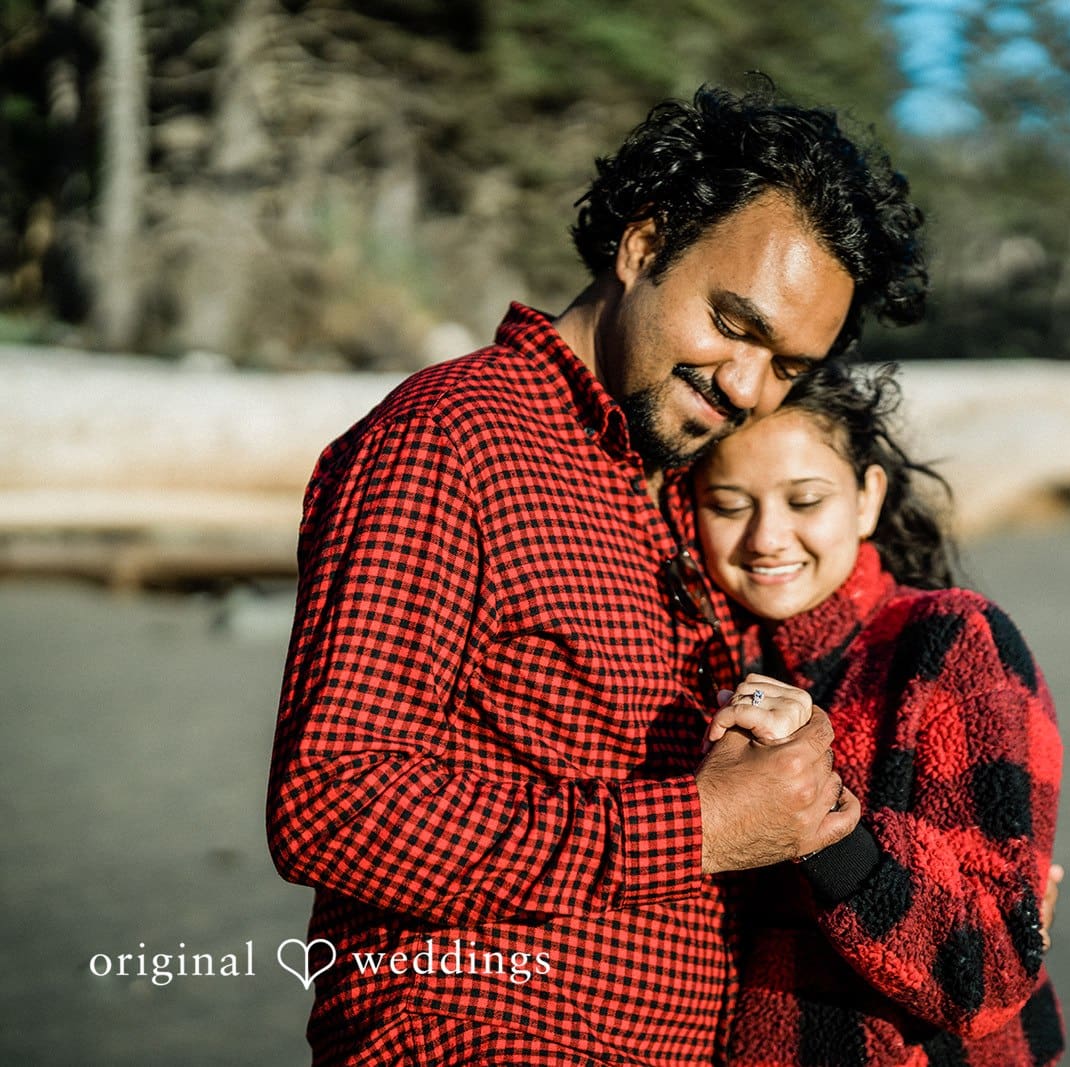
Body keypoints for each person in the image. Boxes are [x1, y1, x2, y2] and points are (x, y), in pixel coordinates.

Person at [266, 82, 927, 1065]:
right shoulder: (452, 438)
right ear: (641, 244)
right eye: (735, 325)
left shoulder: (677, 488)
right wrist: (693, 825)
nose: (747, 386)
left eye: (788, 364)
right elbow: (333, 798)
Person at [691, 362, 1066, 1065]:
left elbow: (991, 972)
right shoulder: (714, 667)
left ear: (867, 499)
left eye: (805, 500)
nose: (767, 537)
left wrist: (825, 826)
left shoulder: (951, 642)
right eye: (730, 504)